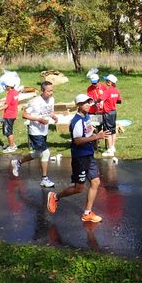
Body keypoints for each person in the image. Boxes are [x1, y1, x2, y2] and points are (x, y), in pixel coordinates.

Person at [47, 94, 110, 223]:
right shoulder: (76, 121)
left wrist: (93, 133)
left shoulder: (86, 116)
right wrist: (96, 137)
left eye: (89, 102)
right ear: (78, 105)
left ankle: (87, 213)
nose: (88, 104)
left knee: (96, 182)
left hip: (89, 154)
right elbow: (77, 141)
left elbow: (87, 132)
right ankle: (55, 196)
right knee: (78, 188)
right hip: (80, 157)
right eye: (85, 103)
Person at [11, 81, 58, 187]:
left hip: (44, 130)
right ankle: (44, 179)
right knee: (45, 153)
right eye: (49, 91)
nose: (51, 93)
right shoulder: (35, 102)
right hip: (35, 131)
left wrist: (54, 116)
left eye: (52, 90)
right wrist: (39, 119)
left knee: (38, 153)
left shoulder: (52, 99)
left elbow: (49, 111)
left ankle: (18, 162)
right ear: (42, 90)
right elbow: (24, 114)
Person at [0, 78, 20, 153]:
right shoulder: (15, 92)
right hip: (13, 114)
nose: (5, 87)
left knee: (8, 132)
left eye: (6, 86)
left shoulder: (10, 94)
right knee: (9, 130)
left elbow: (6, 106)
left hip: (9, 115)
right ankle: (13, 144)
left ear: (9, 86)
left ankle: (12, 147)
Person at [99, 74, 122, 157]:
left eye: (107, 81)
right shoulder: (116, 90)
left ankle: (110, 150)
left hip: (107, 113)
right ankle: (113, 147)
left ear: (110, 82)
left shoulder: (107, 91)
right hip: (113, 112)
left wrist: (95, 102)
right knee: (113, 129)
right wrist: (112, 100)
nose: (105, 82)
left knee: (107, 130)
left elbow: (100, 99)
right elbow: (119, 101)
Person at [86, 74, 106, 150]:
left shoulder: (103, 87)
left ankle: (98, 141)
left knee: (100, 126)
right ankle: (95, 143)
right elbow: (90, 99)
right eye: (92, 83)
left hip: (102, 110)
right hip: (93, 111)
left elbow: (106, 97)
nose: (94, 84)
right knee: (93, 127)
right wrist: (94, 105)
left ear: (98, 81)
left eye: (95, 83)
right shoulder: (89, 89)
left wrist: (102, 104)